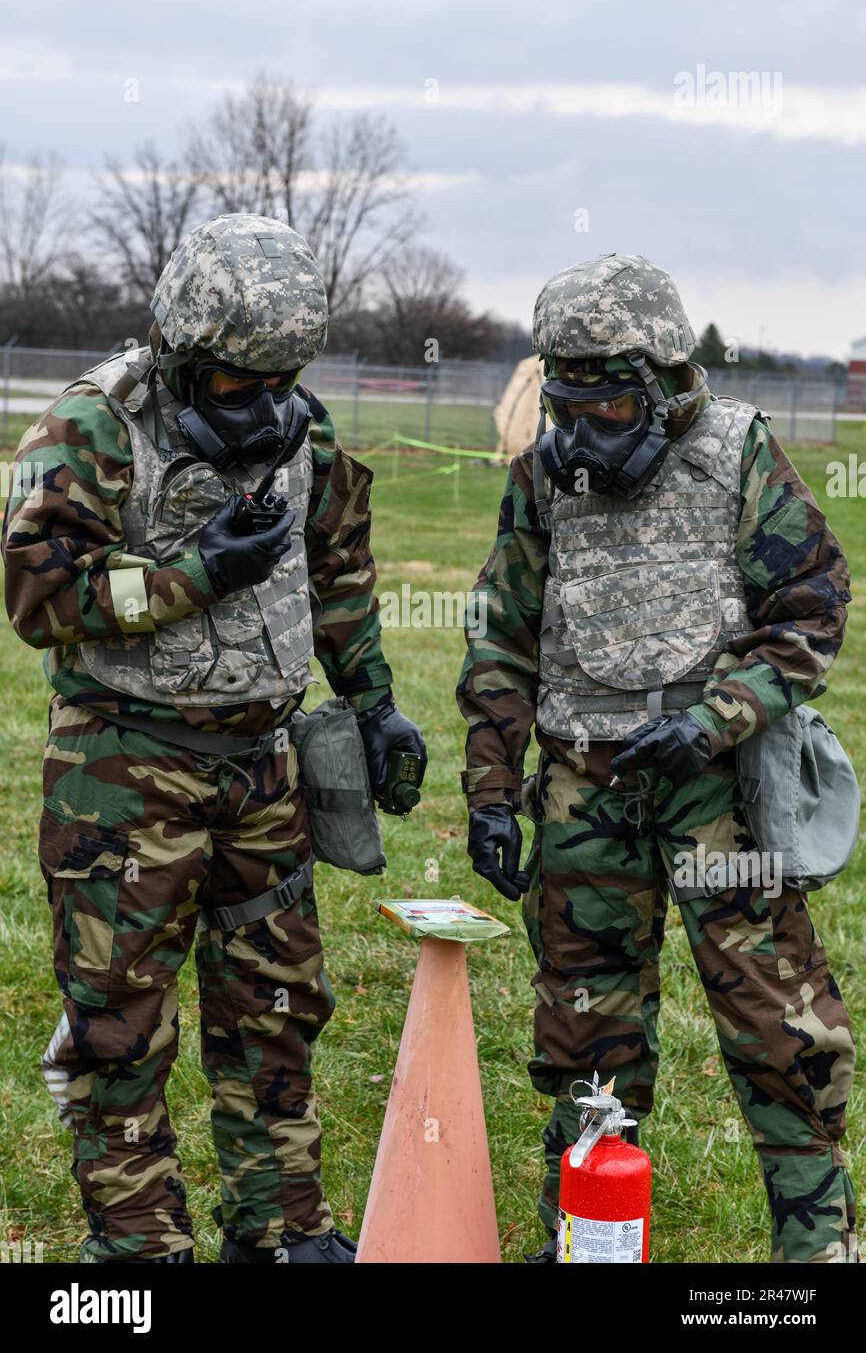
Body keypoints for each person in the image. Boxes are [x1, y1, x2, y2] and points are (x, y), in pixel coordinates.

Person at [3, 212, 426, 1264]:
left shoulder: (303, 430)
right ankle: (139, 1244)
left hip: (262, 771)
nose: (266, 401)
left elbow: (339, 576)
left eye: (282, 376)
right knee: (118, 1026)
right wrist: (198, 577)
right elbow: (36, 594)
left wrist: (373, 702)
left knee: (274, 1009)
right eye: (241, 381)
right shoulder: (93, 427)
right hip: (122, 770)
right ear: (184, 349)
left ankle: (280, 1225)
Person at [457, 253, 857, 1264]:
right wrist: (493, 789)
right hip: (582, 790)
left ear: (661, 384)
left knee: (777, 1023)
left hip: (713, 793)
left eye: (606, 408)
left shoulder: (733, 452)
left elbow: (809, 604)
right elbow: (502, 633)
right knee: (585, 1028)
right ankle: (588, 1233)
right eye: (567, 403)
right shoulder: (546, 472)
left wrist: (720, 713)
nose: (583, 430)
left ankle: (815, 1246)